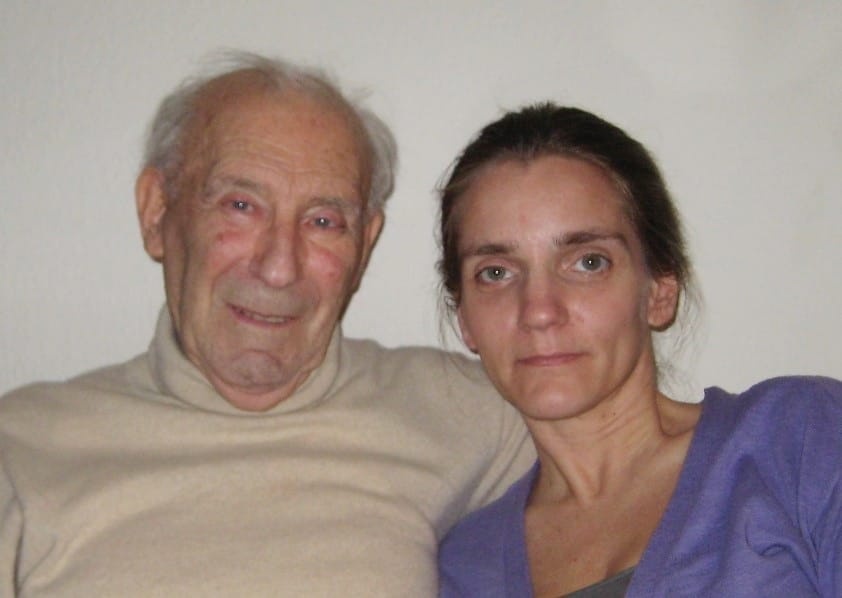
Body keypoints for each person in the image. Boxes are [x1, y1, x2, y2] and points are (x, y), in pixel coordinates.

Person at [0, 52, 534, 596]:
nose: (279, 268)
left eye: (323, 221)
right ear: (156, 211)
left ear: (365, 243)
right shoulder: (20, 450)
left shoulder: (465, 410)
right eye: (241, 205)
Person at [436, 103, 842, 597]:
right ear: (465, 319)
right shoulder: (462, 568)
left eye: (588, 262)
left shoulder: (801, 443)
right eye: (496, 272)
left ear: (658, 291)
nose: (539, 310)